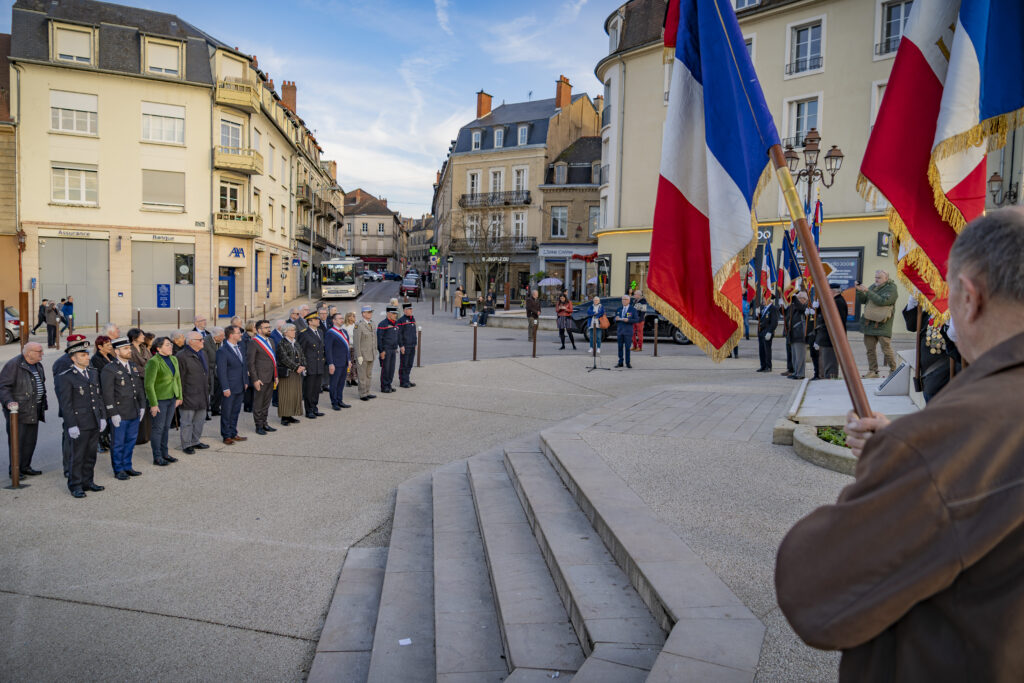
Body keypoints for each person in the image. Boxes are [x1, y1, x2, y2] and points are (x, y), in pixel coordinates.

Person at [776, 207, 1024, 680]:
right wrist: (900, 448)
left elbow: (814, 590)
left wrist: (903, 459)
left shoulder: (947, 437)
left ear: (969, 298)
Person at [58, 338, 107, 497]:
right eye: (82, 355)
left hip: (93, 420)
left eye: (87, 354)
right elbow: (66, 404)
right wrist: (71, 425)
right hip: (79, 423)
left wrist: (102, 417)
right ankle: (75, 485)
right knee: (78, 456)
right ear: (73, 358)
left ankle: (88, 481)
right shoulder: (66, 377)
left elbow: (98, 397)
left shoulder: (93, 372)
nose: (87, 357)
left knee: (91, 455)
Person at [100, 337, 145, 478]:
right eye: (125, 349)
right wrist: (113, 413)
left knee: (130, 441)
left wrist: (142, 406)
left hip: (134, 410)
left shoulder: (132, 365)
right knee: (118, 443)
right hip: (120, 412)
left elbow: (139, 387)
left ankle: (127, 466)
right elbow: (107, 393)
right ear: (117, 351)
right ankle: (118, 469)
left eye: (129, 348)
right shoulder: (110, 369)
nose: (129, 350)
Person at [0, 341, 47, 478]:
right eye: (39, 351)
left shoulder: (38, 365)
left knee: (30, 441)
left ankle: (25, 467)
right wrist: (9, 402)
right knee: (18, 441)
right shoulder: (13, 365)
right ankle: (15, 470)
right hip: (19, 411)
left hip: (35, 408)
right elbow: (3, 387)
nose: (42, 353)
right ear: (29, 353)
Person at [144, 337, 182, 466]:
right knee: (158, 428)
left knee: (166, 428)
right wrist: (153, 404)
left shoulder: (174, 359)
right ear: (158, 348)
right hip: (159, 400)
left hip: (172, 398)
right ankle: (157, 456)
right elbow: (149, 385)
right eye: (167, 345)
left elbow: (177, 379)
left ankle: (165, 453)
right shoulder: (153, 362)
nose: (171, 346)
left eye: (170, 344)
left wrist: (179, 396)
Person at [855, 269, 899, 378]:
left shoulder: (891, 288)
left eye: (879, 278)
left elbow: (883, 301)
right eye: (875, 277)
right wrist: (859, 291)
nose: (876, 279)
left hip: (883, 324)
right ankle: (873, 371)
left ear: (886, 278)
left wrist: (868, 291)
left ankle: (894, 370)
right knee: (870, 350)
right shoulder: (873, 287)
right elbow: (863, 300)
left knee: (886, 349)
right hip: (869, 323)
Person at [53, 334, 85, 477]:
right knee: (70, 439)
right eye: (78, 345)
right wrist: (67, 410)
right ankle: (69, 468)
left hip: (85, 408)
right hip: (72, 408)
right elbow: (61, 390)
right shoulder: (62, 363)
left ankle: (80, 466)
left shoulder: (83, 359)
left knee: (82, 440)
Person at [176, 332, 210, 455]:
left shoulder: (203, 353)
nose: (203, 341)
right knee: (187, 422)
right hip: (188, 394)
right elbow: (179, 378)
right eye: (200, 339)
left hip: (202, 393)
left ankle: (195, 441)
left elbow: (206, 373)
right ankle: (186, 444)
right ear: (191, 342)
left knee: (199, 420)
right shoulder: (181, 356)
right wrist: (180, 396)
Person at [216, 325, 248, 445]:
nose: (240, 334)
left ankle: (233, 432)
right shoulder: (222, 351)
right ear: (231, 335)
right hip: (229, 387)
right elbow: (221, 371)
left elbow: (244, 366)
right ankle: (226, 435)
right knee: (227, 412)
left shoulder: (239, 347)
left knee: (235, 411)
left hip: (240, 386)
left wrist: (245, 381)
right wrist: (225, 387)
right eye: (238, 333)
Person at [246, 320, 277, 435]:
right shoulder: (254, 342)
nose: (269, 329)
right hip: (260, 378)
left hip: (271, 377)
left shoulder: (271, 341)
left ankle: (265, 423)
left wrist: (276, 375)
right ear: (259, 330)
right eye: (266, 327)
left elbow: (273, 360)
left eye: (269, 327)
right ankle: (258, 426)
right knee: (258, 403)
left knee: (266, 402)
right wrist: (255, 379)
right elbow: (251, 363)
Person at [814, 284, 848, 380]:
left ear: (833, 291)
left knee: (830, 362)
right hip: (826, 337)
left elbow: (836, 321)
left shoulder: (838, 302)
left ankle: (830, 381)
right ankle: (827, 379)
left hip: (832, 338)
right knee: (826, 362)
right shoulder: (833, 301)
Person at [276, 323, 306, 426]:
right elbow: (284, 359)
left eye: (294, 330)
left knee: (294, 394)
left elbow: (302, 355)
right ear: (285, 332)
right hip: (287, 373)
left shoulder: (295, 342)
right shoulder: (281, 343)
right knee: (286, 395)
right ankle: (284, 417)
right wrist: (296, 367)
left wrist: (303, 365)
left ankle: (291, 414)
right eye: (292, 330)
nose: (294, 332)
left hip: (297, 373)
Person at [298, 312, 326, 419]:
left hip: (319, 365)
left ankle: (314, 408)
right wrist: (303, 366)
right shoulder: (304, 334)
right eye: (316, 319)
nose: (318, 321)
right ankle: (309, 410)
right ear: (310, 322)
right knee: (309, 389)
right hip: (310, 365)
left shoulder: (320, 332)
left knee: (316, 389)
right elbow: (301, 351)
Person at [128, 328, 153, 446]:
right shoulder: (130, 349)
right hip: (137, 381)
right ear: (134, 337)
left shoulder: (144, 348)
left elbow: (151, 361)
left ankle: (147, 434)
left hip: (147, 380)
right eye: (141, 335)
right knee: (139, 408)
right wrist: (147, 371)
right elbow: (132, 366)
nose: (143, 336)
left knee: (147, 408)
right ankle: (138, 436)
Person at [90, 335, 115, 453]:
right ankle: (100, 442)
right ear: (100, 347)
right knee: (102, 416)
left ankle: (107, 439)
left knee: (109, 416)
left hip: (111, 390)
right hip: (102, 390)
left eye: (110, 344)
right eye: (107, 344)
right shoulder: (96, 359)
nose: (110, 346)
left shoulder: (110, 356)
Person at [325, 313, 352, 410]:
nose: (342, 320)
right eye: (339, 318)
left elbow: (347, 348)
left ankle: (340, 400)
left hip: (344, 362)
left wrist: (349, 360)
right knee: (334, 384)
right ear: (334, 320)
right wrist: (330, 363)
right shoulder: (330, 332)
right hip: (335, 363)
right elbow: (328, 350)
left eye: (342, 318)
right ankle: (334, 402)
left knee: (341, 383)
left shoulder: (344, 331)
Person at [354, 305, 377, 401]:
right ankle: (362, 394)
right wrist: (359, 355)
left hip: (371, 354)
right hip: (363, 355)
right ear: (363, 314)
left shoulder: (372, 323)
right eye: (368, 312)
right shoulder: (359, 325)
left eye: (371, 312)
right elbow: (357, 342)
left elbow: (374, 339)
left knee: (369, 375)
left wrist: (375, 350)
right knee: (362, 376)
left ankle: (367, 392)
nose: (370, 314)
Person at [615, 295, 642, 368]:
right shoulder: (619, 309)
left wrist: (629, 320)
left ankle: (628, 362)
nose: (623, 301)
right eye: (622, 299)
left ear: (629, 301)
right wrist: (616, 319)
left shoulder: (633, 310)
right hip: (620, 331)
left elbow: (636, 320)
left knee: (627, 348)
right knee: (620, 347)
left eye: (625, 299)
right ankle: (620, 362)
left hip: (628, 332)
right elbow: (615, 319)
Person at [377, 305, 400, 393]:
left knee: (391, 369)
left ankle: (389, 385)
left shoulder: (396, 323)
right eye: (393, 313)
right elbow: (379, 339)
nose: (395, 315)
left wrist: (396, 346)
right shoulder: (383, 324)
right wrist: (381, 351)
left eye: (396, 314)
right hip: (386, 350)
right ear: (388, 314)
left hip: (393, 350)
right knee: (385, 369)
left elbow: (396, 336)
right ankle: (384, 387)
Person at [787, 291, 809, 380]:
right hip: (793, 335)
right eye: (798, 298)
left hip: (800, 336)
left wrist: (794, 298)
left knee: (800, 357)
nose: (798, 300)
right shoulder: (795, 307)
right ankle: (796, 372)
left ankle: (800, 374)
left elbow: (801, 308)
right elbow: (787, 314)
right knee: (795, 357)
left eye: (799, 298)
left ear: (804, 299)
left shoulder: (805, 307)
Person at [756, 293, 779, 372]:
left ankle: (768, 366)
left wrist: (770, 332)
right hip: (761, 331)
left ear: (769, 299)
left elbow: (774, 322)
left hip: (767, 332)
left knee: (767, 350)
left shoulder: (773, 308)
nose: (763, 300)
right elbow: (760, 319)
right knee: (761, 350)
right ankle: (763, 365)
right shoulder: (763, 308)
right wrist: (757, 314)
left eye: (764, 298)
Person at [397, 303, 417, 388]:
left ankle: (407, 380)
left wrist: (415, 343)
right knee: (404, 364)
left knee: (409, 364)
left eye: (411, 309)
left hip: (412, 345)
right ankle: (403, 381)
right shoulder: (401, 321)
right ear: (405, 310)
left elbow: (414, 332)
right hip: (405, 346)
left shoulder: (412, 319)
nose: (411, 310)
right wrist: (401, 346)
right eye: (409, 309)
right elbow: (399, 334)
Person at [342, 312, 357, 387]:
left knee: (354, 364)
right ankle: (347, 380)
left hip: (355, 347)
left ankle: (353, 378)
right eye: (350, 316)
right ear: (347, 317)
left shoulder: (355, 326)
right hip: (348, 347)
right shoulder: (344, 326)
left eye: (353, 316)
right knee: (348, 364)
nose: (352, 318)